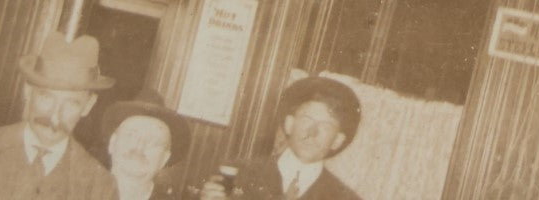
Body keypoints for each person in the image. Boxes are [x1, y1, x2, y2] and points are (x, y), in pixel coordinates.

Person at [0, 32, 115, 200]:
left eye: (71, 103)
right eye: (46, 97)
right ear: (27, 92)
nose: (55, 115)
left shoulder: (99, 187)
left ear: (88, 106)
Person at [198, 77, 363, 200]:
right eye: (307, 119)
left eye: (326, 126)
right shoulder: (235, 175)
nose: (313, 133)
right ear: (289, 123)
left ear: (337, 141)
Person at [98, 91, 186, 200]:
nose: (139, 146)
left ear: (164, 159)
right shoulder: (76, 189)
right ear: (113, 142)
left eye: (153, 141)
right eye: (131, 135)